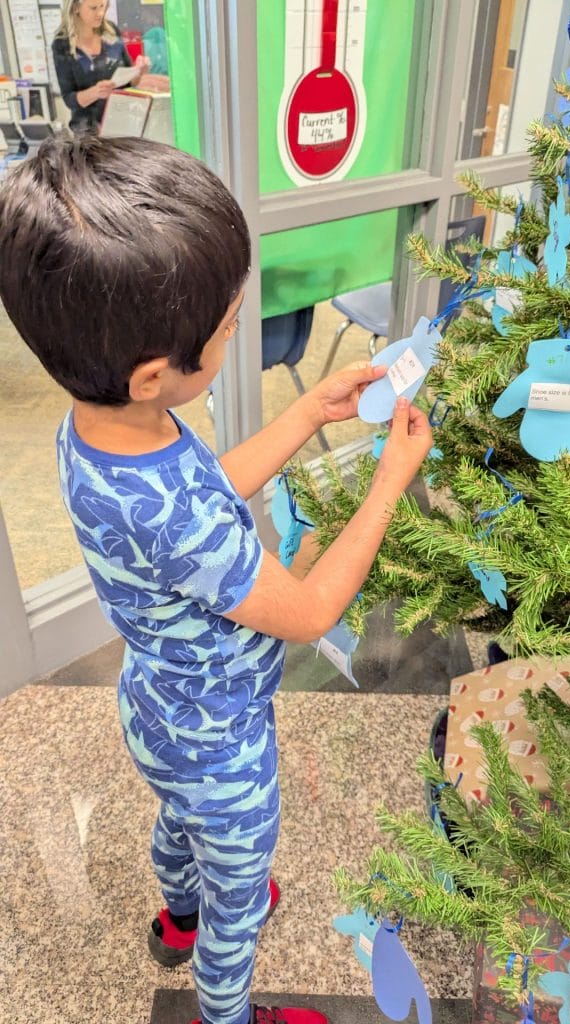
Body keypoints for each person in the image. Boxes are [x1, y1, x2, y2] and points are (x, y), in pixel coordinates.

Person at [0, 135, 433, 1024]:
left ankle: (178, 916)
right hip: (224, 748)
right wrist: (391, 480)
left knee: (175, 824)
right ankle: (225, 1009)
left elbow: (210, 484)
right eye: (230, 326)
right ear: (157, 373)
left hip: (154, 709)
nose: (238, 329)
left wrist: (312, 409)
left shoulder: (104, 432)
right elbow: (310, 612)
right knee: (242, 899)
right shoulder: (164, 494)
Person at [52, 0, 150, 133]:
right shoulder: (62, 44)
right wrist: (96, 92)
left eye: (103, 6)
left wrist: (139, 71)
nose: (100, 13)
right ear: (76, 7)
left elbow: (129, 83)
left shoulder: (111, 31)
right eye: (93, 8)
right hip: (88, 132)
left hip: (122, 124)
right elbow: (69, 99)